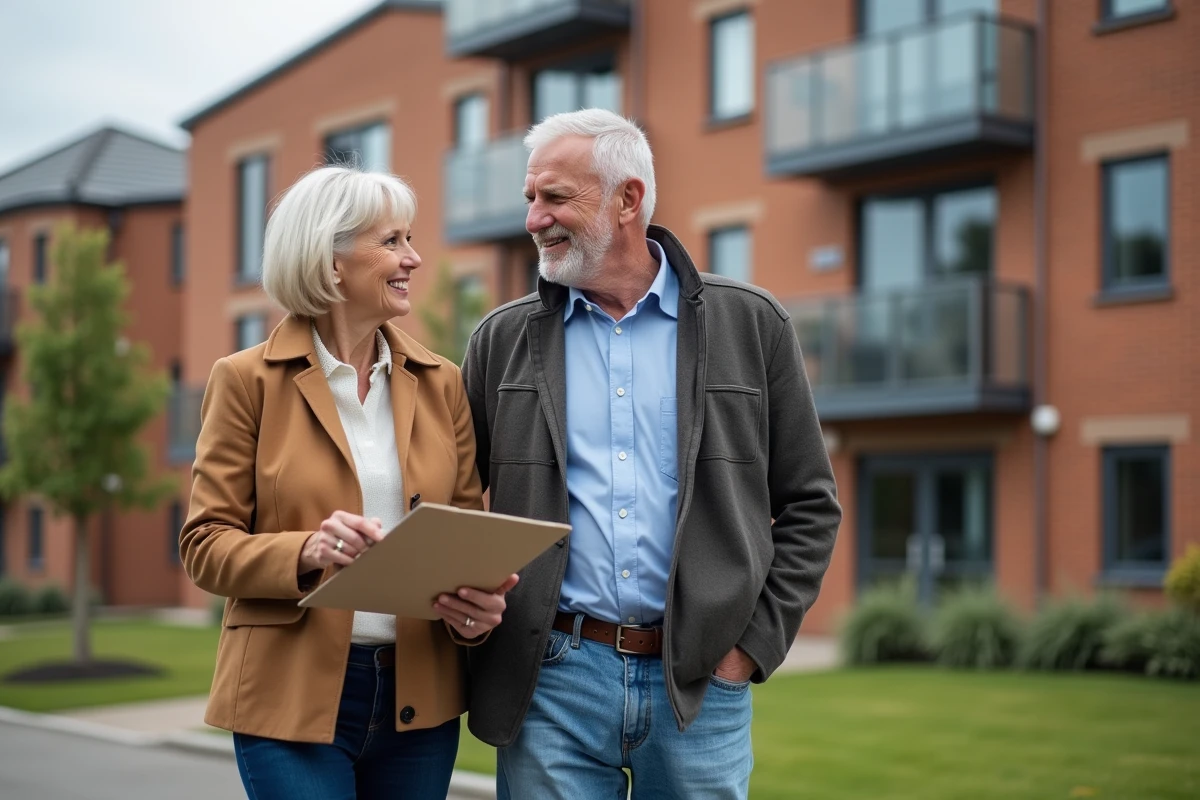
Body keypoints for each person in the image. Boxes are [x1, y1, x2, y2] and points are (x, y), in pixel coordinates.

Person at [460, 109, 842, 799]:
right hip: (552, 680)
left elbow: (812, 504)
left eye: (554, 198)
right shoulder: (499, 339)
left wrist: (748, 649)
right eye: (530, 199)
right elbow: (456, 503)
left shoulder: (751, 323)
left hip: (700, 682)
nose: (534, 219)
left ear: (627, 199)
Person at [180, 165, 517, 800]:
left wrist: (475, 613)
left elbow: (465, 536)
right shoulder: (245, 380)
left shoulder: (443, 381)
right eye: (391, 242)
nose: (413, 259)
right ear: (331, 261)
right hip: (288, 697)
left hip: (419, 701)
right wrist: (306, 550)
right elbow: (204, 545)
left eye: (410, 240)